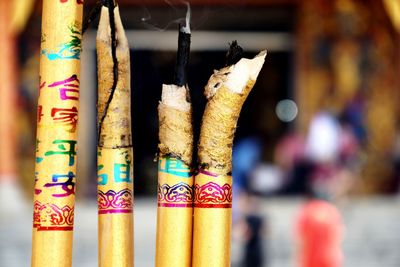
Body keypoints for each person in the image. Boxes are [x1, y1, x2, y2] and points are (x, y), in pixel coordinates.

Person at [295, 189, 344, 267]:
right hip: (331, 258)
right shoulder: (332, 211)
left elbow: (301, 240)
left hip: (311, 259)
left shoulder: (307, 211)